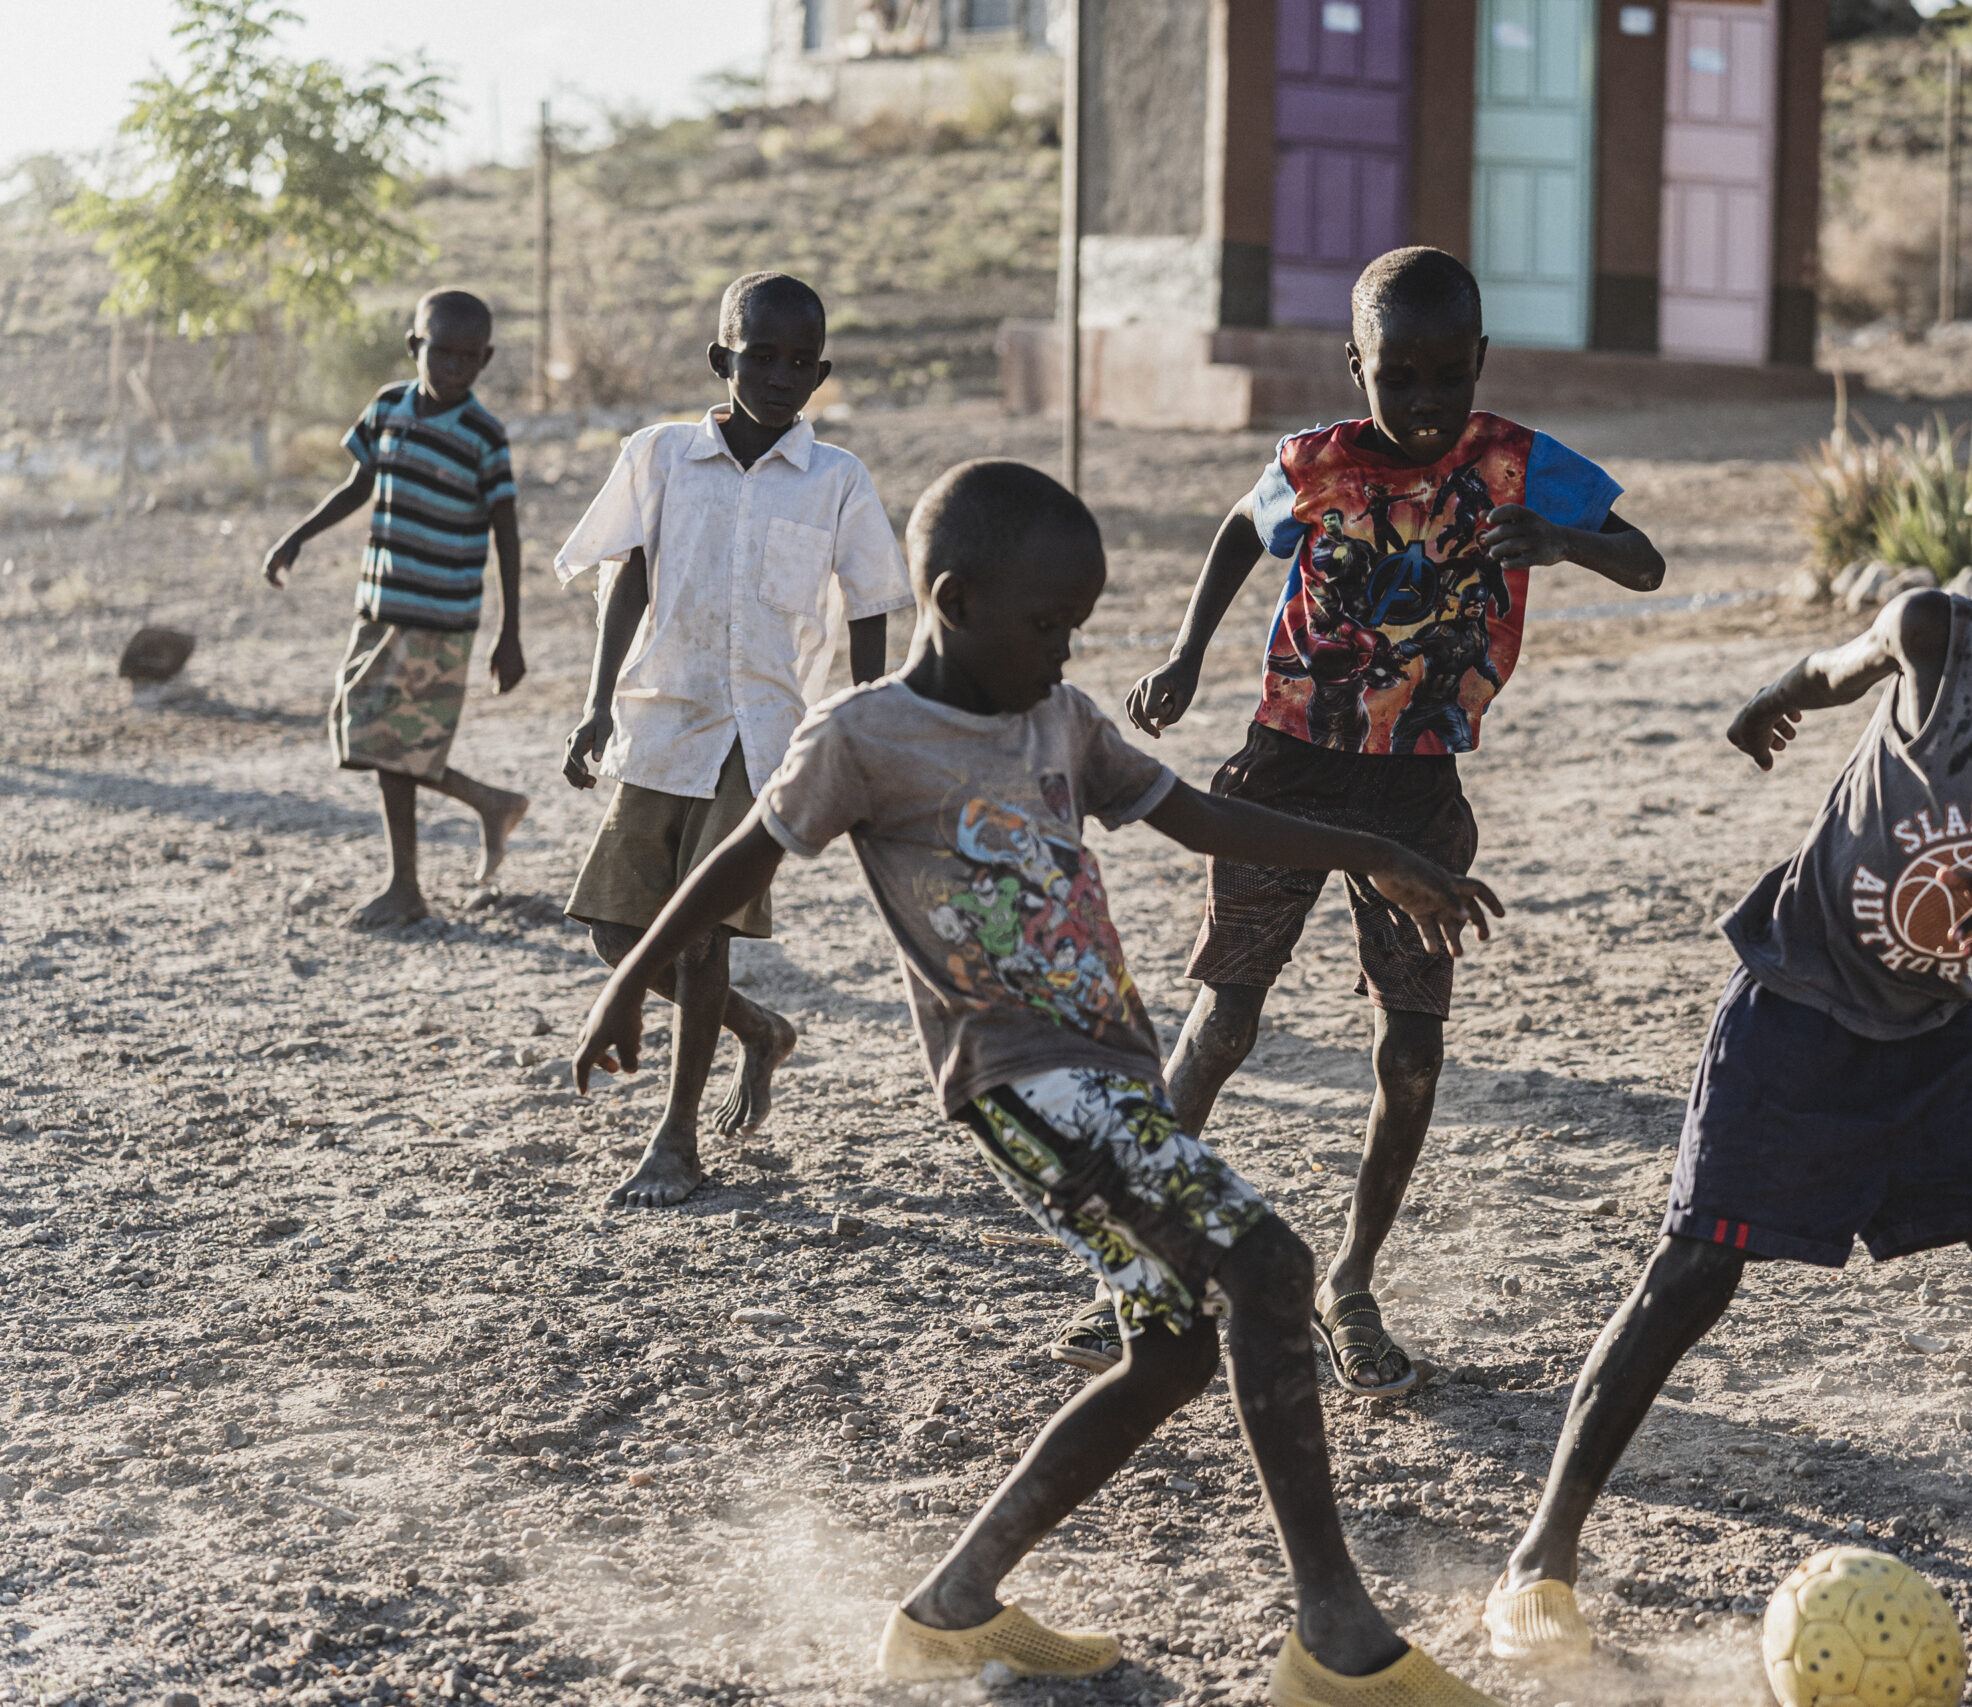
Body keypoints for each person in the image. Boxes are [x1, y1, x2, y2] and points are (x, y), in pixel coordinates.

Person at [567, 460, 1511, 1707]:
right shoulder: (862, 737)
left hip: (1107, 1071)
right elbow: (741, 854)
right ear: (951, 601)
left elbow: (1201, 821)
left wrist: (1381, 852)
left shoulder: (1060, 722)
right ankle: (1334, 1637)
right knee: (1271, 1265)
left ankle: (950, 1612)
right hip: (1018, 1082)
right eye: (1048, 628)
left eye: (1077, 628)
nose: (1066, 654)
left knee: (1171, 1354)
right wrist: (626, 980)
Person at [1481, 458, 1972, 1666]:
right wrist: (1767, 699)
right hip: (1796, 1007)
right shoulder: (1930, 634)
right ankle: (1543, 1547)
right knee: (1689, 1277)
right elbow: (1830, 667)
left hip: (1935, 1044)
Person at [1107, 246, 1664, 1394]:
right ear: (1352, 363)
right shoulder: (1312, 462)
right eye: (1395, 377)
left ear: (1479, 363)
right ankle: (1136, 1256)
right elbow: (1234, 530)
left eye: (1445, 379)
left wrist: (1561, 540)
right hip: (1284, 776)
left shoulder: (1519, 464)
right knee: (1222, 1026)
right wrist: (1184, 650)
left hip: (1416, 793)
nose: (1421, 405)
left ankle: (1349, 1279)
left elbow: (1645, 563)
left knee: (1411, 1050)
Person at [553, 271, 911, 1209]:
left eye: (803, 362)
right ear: (723, 359)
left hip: (764, 741)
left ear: (822, 372)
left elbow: (872, 602)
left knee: (703, 934)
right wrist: (595, 706)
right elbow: (625, 582)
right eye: (762, 356)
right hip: (664, 721)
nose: (783, 376)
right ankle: (758, 1029)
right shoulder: (661, 457)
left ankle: (675, 1140)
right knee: (616, 930)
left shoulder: (836, 480)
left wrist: (865, 721)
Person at [262, 289, 528, 931]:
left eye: (471, 357)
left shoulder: (484, 437)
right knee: (370, 736)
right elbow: (360, 485)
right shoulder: (387, 408)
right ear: (416, 347)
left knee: (391, 742)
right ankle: (486, 804)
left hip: (441, 619)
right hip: (380, 609)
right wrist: (299, 533)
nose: (456, 367)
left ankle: (407, 885)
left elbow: (507, 533)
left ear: (486, 359)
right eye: (443, 352)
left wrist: (510, 633)